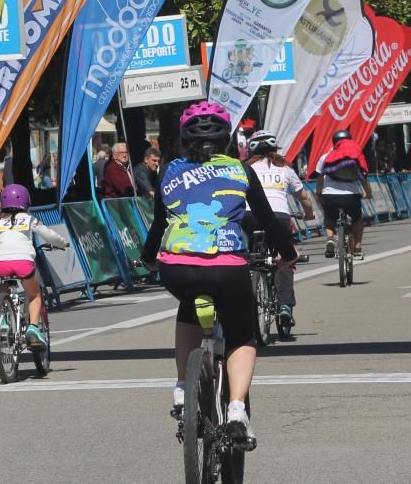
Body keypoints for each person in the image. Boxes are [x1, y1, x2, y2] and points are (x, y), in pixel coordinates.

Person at [140, 102, 297, 448]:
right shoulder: (241, 170)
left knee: (188, 308)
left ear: (183, 139)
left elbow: (158, 224)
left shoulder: (169, 170)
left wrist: (148, 258)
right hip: (227, 266)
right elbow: (269, 221)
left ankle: (182, 388)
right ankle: (238, 409)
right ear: (228, 139)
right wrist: (288, 254)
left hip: (177, 267)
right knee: (242, 334)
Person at [0, 184, 69, 350]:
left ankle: (4, 320)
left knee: (5, 286)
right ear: (27, 202)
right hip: (23, 263)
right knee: (34, 295)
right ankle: (33, 328)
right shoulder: (29, 219)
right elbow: (49, 235)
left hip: (1, 264)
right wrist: (63, 243)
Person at [243, 130, 313, 326]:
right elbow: (304, 198)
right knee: (285, 259)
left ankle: (249, 283)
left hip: (250, 217)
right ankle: (284, 305)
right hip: (279, 218)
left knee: (250, 257)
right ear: (275, 149)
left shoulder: (245, 168)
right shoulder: (286, 169)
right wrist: (309, 214)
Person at [316, 130, 373, 260]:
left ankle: (330, 239)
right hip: (351, 196)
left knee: (329, 219)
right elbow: (363, 178)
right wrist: (368, 193)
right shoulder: (355, 155)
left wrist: (319, 191)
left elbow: (320, 177)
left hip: (329, 195)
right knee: (357, 219)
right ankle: (357, 246)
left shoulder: (326, 157)